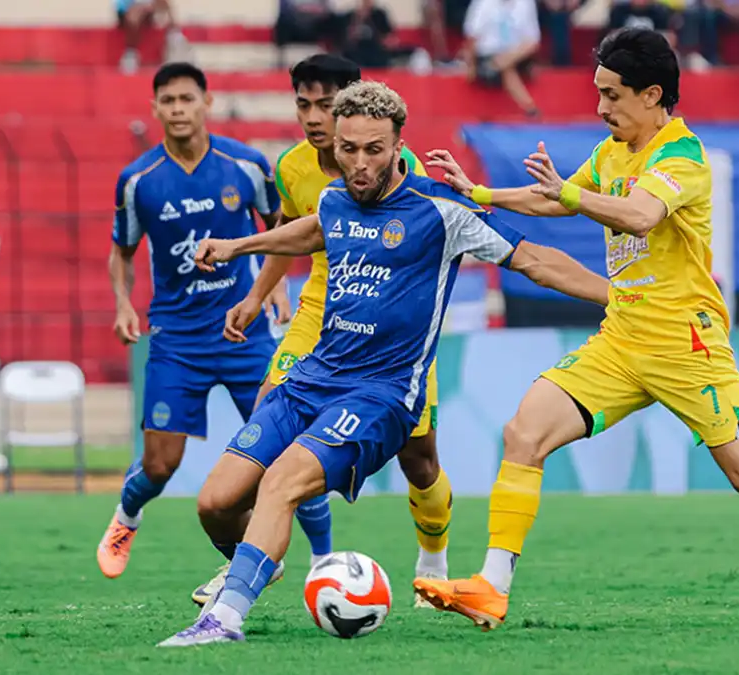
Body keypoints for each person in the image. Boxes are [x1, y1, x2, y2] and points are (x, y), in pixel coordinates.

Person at [413, 28, 739, 629]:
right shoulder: (612, 152)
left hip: (687, 344)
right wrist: (477, 190)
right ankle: (492, 586)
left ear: (652, 94)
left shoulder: (681, 156)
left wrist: (571, 194)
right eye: (598, 93)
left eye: (612, 95)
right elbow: (558, 199)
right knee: (524, 433)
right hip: (623, 338)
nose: (601, 108)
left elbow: (638, 212)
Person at [156, 80, 613, 646]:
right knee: (216, 503)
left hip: (381, 395)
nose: (359, 162)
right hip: (310, 381)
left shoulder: (441, 211)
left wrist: (617, 297)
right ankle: (261, 561)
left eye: (374, 149)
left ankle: (222, 621)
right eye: (349, 149)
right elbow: (317, 229)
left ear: (399, 144)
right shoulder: (333, 196)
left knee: (283, 484)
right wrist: (238, 246)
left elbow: (535, 261)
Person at [189, 54, 455, 609]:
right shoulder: (292, 166)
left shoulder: (410, 176)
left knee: (420, 458)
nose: (313, 118)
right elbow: (292, 234)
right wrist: (256, 296)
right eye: (303, 104)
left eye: (326, 105)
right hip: (319, 311)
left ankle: (433, 563)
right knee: (270, 413)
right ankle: (269, 554)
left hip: (388, 329)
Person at [99, 62, 313, 584]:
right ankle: (127, 517)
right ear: (154, 109)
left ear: (206, 103)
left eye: (186, 99)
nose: (177, 109)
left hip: (244, 332)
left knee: (287, 448)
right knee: (159, 465)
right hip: (177, 339)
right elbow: (121, 252)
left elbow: (278, 226)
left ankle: (324, 561)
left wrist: (275, 283)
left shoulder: (244, 165)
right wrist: (124, 303)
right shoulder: (139, 181)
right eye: (167, 101)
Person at [115, 0, 188, 75]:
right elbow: (122, 5)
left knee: (164, 4)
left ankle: (174, 36)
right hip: (126, 12)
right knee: (134, 14)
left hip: (145, 11)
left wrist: (148, 6)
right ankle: (130, 53)